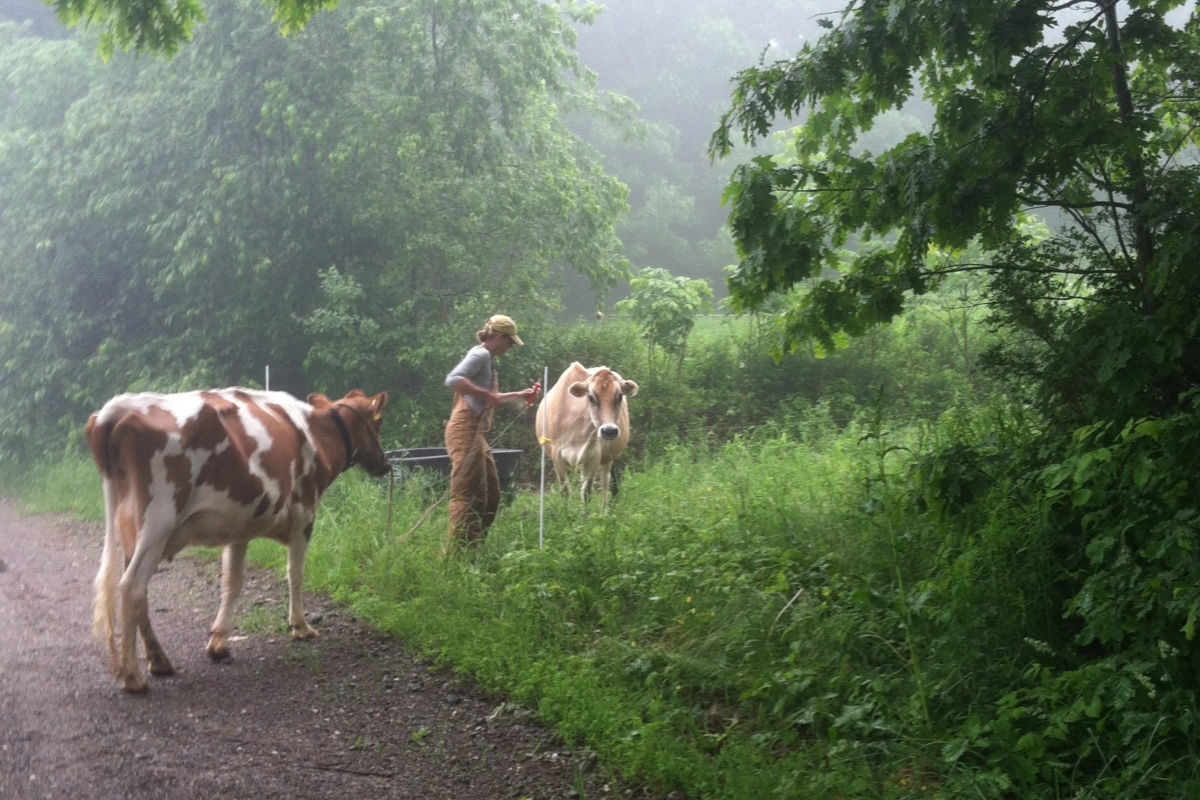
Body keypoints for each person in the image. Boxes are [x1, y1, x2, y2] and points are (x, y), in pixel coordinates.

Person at [443, 314, 540, 553]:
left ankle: (474, 547)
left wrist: (520, 395)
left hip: (475, 433)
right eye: (509, 342)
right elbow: (452, 379)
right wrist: (487, 396)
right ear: (498, 337)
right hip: (464, 430)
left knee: (493, 494)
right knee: (468, 494)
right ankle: (457, 557)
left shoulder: (487, 359)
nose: (510, 347)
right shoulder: (481, 354)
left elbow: (491, 399)